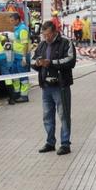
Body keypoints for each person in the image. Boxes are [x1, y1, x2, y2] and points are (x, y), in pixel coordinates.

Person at [31, 19, 77, 155]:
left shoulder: (65, 43)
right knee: (47, 116)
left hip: (60, 86)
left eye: (48, 35)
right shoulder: (42, 45)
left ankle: (65, 144)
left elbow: (70, 60)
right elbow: (33, 60)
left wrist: (50, 63)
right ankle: (50, 142)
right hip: (46, 87)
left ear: (55, 32)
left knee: (64, 115)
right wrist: (37, 63)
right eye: (44, 35)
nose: (46, 37)